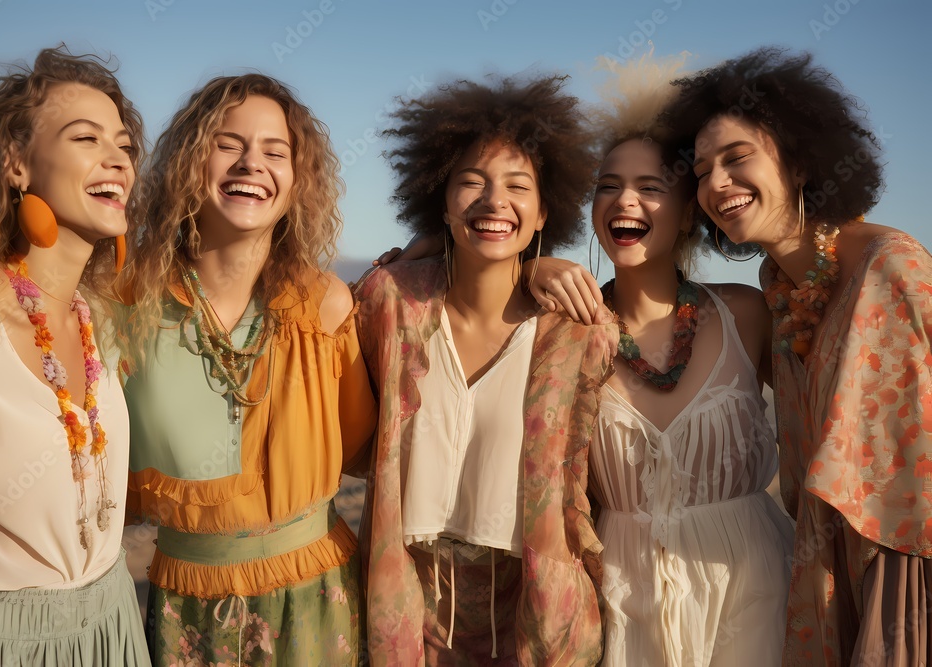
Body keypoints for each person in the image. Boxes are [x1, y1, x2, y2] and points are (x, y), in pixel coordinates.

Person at [662, 46, 932, 665]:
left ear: (803, 160)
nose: (716, 184)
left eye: (736, 158)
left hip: (902, 582)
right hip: (823, 583)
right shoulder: (778, 289)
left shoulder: (889, 267)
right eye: (701, 170)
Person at [531, 55, 793, 665]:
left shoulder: (745, 314)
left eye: (652, 188)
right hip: (624, 607)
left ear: (690, 211)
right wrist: (525, 266)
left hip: (752, 593)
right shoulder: (559, 333)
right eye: (607, 186)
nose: (625, 200)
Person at [354, 75, 618, 665]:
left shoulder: (581, 332)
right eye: (471, 183)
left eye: (517, 187)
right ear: (440, 202)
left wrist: (535, 267)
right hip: (408, 612)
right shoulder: (389, 305)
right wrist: (415, 250)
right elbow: (318, 349)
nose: (494, 201)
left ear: (545, 209)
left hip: (535, 618)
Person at [121, 73, 377, 666]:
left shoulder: (326, 304)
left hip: (314, 593)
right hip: (185, 595)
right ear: (190, 159)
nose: (251, 164)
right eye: (228, 143)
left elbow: (357, 447)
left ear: (297, 180)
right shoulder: (125, 304)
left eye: (275, 151)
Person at [0, 46, 149, 665]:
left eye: (125, 145)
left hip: (112, 624)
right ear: (17, 164)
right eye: (87, 138)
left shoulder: (98, 320)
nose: (118, 159)